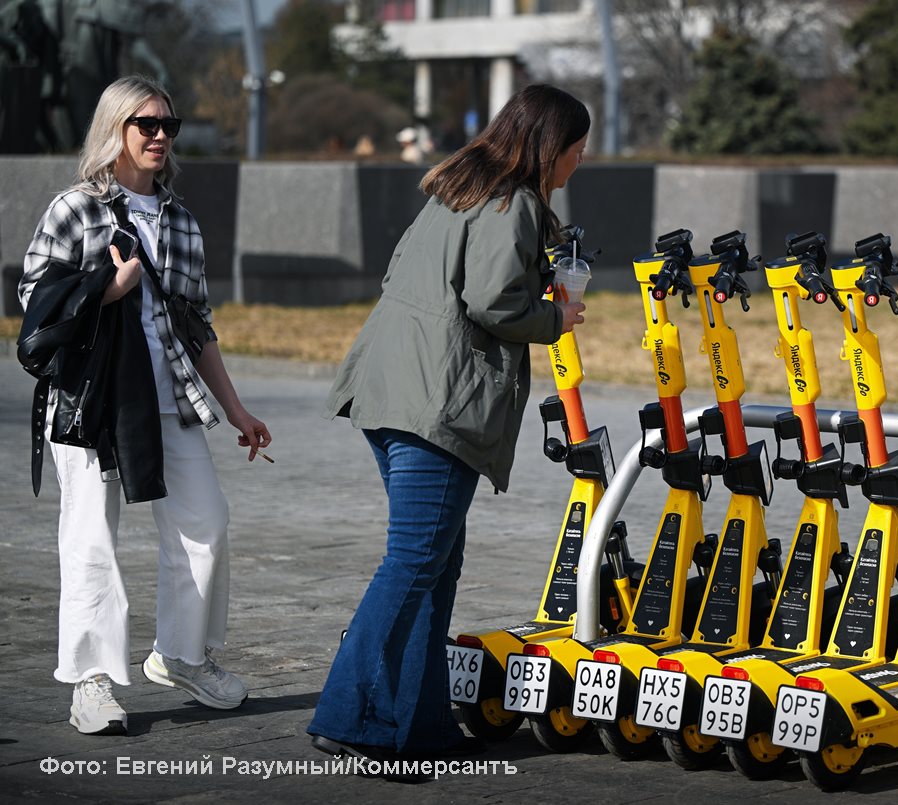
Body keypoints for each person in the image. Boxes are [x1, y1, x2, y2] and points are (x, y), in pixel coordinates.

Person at [307, 83, 589, 774]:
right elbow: (493, 301)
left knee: (434, 564)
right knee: (411, 562)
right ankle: (352, 719)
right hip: (438, 407)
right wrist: (558, 318)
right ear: (553, 147)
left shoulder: (458, 188)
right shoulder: (514, 202)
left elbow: (416, 276)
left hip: (387, 390)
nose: (580, 162)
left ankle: (420, 724)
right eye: (578, 149)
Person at [19, 74, 271, 736]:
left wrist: (238, 410)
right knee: (91, 538)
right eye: (146, 124)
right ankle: (91, 679)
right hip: (92, 399)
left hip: (171, 401)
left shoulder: (181, 220)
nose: (160, 135)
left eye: (169, 125)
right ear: (115, 129)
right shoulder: (76, 208)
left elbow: (198, 325)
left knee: (206, 524)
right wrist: (109, 286)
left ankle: (182, 654)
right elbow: (32, 296)